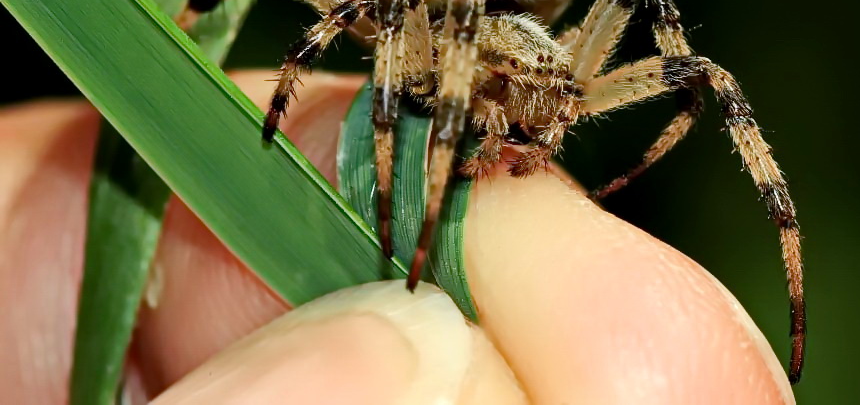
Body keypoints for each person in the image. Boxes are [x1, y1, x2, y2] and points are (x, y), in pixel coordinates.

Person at [0, 71, 794, 404]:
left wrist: (639, 163)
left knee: (704, 72)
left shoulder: (557, 81)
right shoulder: (438, 53)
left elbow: (701, 84)